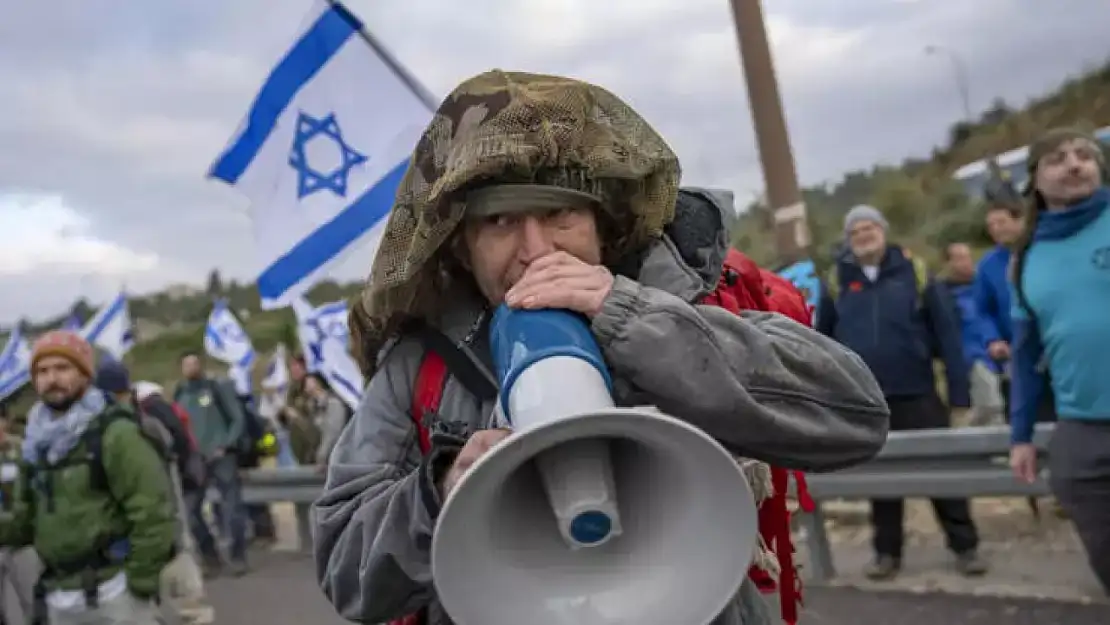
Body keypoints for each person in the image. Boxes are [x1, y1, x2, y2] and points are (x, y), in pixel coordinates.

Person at [312, 70, 889, 625]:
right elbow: (346, 569)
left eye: (559, 214)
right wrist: (438, 492)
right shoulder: (421, 364)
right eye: (502, 221)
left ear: (602, 226)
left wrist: (632, 319)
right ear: (463, 247)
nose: (535, 250)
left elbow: (855, 416)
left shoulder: (688, 300)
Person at [816, 205, 987, 580]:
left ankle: (965, 547)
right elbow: (823, 344)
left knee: (942, 474)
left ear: (884, 230)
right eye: (856, 231)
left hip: (919, 393)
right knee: (881, 481)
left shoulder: (917, 272)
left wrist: (960, 394)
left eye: (870, 227)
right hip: (867, 400)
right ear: (848, 239)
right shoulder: (836, 281)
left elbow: (948, 336)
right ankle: (886, 554)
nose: (864, 235)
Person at [0, 331, 175, 625]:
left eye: (62, 368)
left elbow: (152, 510)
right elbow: (24, 521)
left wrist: (139, 583)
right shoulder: (35, 444)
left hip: (115, 593)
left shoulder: (115, 433)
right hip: (60, 597)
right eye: (42, 371)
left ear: (85, 374)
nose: (51, 378)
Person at [1008, 127, 1110, 594]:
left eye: (1085, 155)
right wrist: (1021, 435)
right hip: (1082, 431)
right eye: (1058, 158)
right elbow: (1027, 356)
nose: (1075, 164)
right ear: (1034, 180)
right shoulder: (1025, 260)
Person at [173, 351, 249, 577]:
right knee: (191, 511)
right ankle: (210, 556)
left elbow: (237, 418)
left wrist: (226, 444)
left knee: (231, 507)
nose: (191, 367)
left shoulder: (216, 388)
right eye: (187, 364)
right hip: (196, 459)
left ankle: (237, 557)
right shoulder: (181, 393)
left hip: (221, 456)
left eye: (194, 363)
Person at [942, 242, 1005, 426]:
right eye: (959, 258)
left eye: (968, 257)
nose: (966, 263)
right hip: (972, 357)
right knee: (991, 405)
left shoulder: (983, 288)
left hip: (998, 353)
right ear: (949, 263)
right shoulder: (945, 295)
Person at [303, 373, 348, 469]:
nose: (305, 386)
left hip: (334, 461)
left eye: (308, 382)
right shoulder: (313, 406)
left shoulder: (333, 404)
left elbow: (332, 434)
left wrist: (321, 457)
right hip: (320, 462)